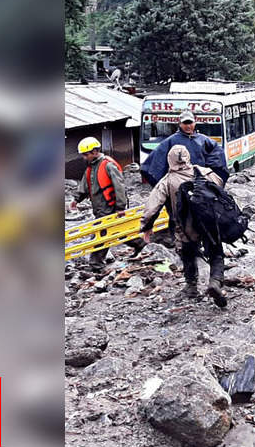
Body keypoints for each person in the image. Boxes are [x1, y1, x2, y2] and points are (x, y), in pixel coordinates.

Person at [140, 145, 227, 307]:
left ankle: (191, 287)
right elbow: (220, 187)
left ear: (169, 160)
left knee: (187, 253)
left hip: (185, 227)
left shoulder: (167, 180)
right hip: (210, 223)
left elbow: (152, 207)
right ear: (188, 157)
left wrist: (146, 226)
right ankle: (215, 281)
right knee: (216, 253)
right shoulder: (205, 172)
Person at [70, 137, 143, 269]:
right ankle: (139, 244)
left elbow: (119, 186)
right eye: (83, 155)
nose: (84, 158)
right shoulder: (91, 168)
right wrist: (76, 199)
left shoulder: (108, 165)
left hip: (110, 207)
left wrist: (120, 207)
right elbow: (85, 186)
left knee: (101, 234)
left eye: (86, 155)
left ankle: (96, 263)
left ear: (95, 151)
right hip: (99, 208)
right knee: (118, 230)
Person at [140, 111, 229, 186]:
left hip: (201, 183)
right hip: (178, 184)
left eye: (190, 123)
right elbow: (152, 165)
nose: (188, 126)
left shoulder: (205, 141)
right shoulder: (170, 141)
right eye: (185, 123)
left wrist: (205, 173)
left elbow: (218, 161)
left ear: (195, 123)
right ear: (180, 124)